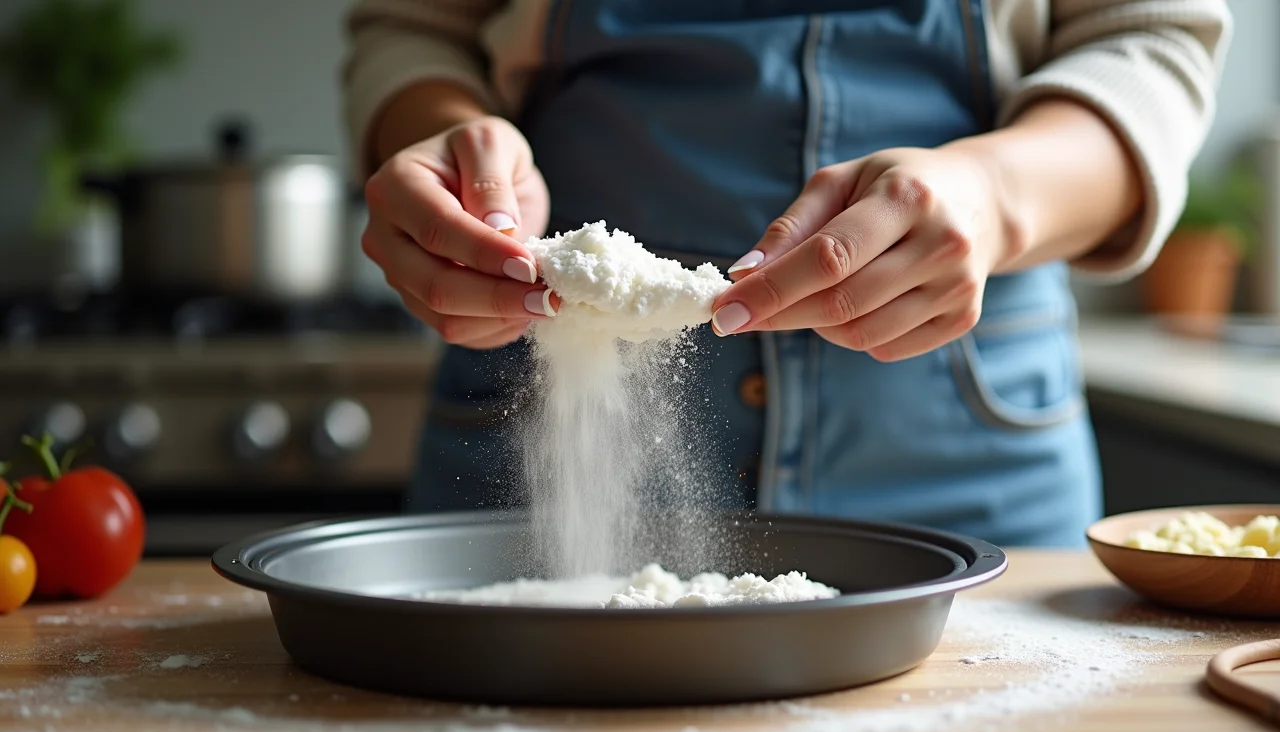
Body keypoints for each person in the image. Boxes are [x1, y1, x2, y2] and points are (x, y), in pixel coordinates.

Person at [342, 0, 1230, 547]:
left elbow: (1152, 41)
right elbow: (414, 29)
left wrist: (996, 196)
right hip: (535, 389)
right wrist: (445, 146)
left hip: (964, 458)